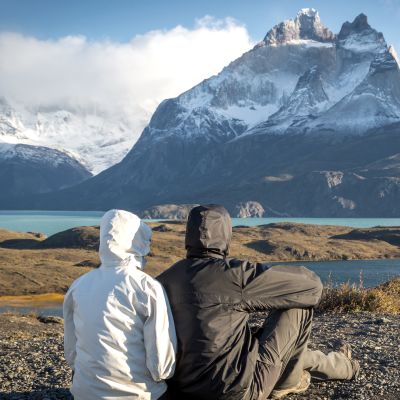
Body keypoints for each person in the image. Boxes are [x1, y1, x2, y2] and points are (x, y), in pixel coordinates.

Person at [158, 204, 359, 400]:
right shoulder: (235, 275)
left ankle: (339, 366)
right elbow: (312, 286)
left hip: (184, 389)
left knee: (273, 348)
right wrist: (267, 289)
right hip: (237, 391)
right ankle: (289, 383)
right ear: (225, 234)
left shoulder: (164, 279)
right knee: (298, 305)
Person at [63, 209, 177, 400]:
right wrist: (163, 376)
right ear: (137, 240)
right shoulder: (147, 286)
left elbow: (71, 351)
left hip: (85, 392)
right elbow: (161, 361)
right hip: (138, 393)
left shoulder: (79, 285)